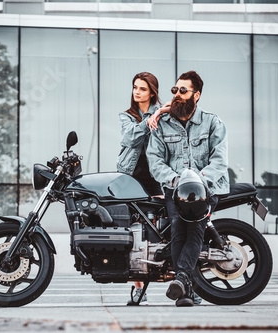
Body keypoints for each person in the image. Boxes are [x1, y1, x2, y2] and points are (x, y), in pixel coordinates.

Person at [146, 70, 229, 307]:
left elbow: (220, 161)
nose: (177, 95)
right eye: (175, 90)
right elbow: (155, 160)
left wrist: (198, 182)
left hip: (206, 188)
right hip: (175, 188)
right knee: (177, 230)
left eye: (183, 90)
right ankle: (186, 289)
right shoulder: (162, 125)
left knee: (193, 230)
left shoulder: (213, 122)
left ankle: (182, 281)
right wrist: (176, 181)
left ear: (197, 94)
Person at [117, 72, 169, 305]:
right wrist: (150, 119)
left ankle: (188, 282)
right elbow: (129, 138)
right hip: (130, 179)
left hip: (156, 179)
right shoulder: (126, 115)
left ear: (152, 92)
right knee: (131, 235)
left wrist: (158, 113)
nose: (137, 92)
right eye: (135, 87)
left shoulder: (164, 114)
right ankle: (139, 289)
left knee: (166, 232)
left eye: (142, 89)